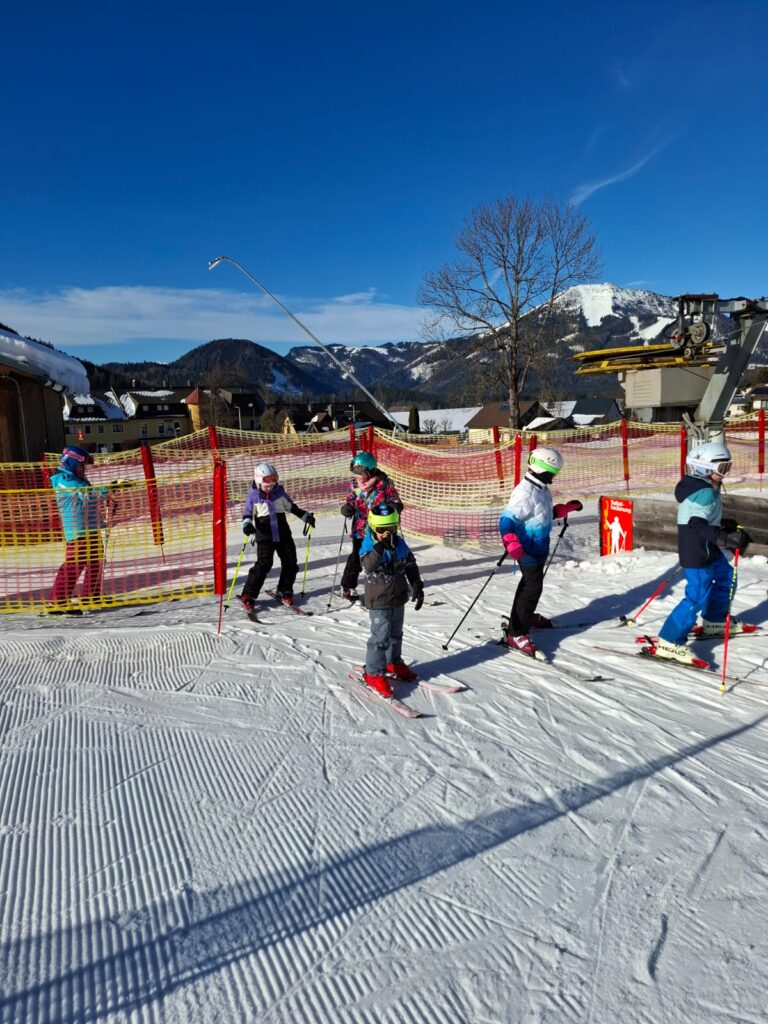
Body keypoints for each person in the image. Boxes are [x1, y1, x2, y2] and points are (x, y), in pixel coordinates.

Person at [655, 441, 751, 664]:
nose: (726, 473)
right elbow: (696, 523)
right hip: (697, 551)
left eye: (728, 467)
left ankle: (715, 620)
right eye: (723, 468)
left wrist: (723, 525)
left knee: (726, 577)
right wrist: (723, 537)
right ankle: (669, 641)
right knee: (697, 595)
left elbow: (703, 517)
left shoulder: (702, 486)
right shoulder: (705, 492)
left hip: (708, 547)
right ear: (705, 467)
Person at [498, 446, 582, 657]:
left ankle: (524, 616)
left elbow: (542, 514)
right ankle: (517, 633)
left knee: (530, 586)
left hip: (538, 548)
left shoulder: (541, 489)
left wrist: (565, 509)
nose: (554, 477)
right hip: (526, 550)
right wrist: (512, 543)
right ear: (541, 469)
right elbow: (506, 521)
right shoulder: (525, 492)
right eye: (552, 473)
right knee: (532, 588)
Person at [359, 504, 424, 697]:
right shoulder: (369, 545)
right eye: (382, 530)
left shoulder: (399, 543)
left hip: (398, 597)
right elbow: (368, 565)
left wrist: (417, 583)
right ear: (373, 527)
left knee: (396, 634)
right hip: (379, 600)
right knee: (380, 638)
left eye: (392, 529)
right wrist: (379, 549)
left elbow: (410, 563)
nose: (387, 534)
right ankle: (373, 672)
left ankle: (392, 662)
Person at [238, 462, 315, 613]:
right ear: (258, 481)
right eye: (267, 485)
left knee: (290, 561)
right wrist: (247, 525)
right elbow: (247, 513)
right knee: (264, 563)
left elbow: (291, 507)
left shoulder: (279, 492)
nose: (270, 487)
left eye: (273, 483)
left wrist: (306, 516)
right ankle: (248, 594)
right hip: (264, 533)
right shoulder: (254, 495)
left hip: (282, 531)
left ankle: (284, 590)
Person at [48, 445, 109, 612]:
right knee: (74, 565)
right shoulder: (63, 480)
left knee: (96, 562)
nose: (83, 470)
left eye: (84, 467)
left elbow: (91, 499)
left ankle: (91, 595)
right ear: (71, 463)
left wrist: (108, 499)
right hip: (77, 532)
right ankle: (58, 601)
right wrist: (108, 490)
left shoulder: (80, 479)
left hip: (92, 528)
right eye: (81, 466)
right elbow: (86, 494)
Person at [339, 451, 403, 602]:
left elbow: (394, 499)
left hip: (381, 528)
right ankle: (348, 585)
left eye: (359, 472)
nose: (356, 475)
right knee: (357, 557)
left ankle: (389, 582)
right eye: (354, 472)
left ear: (369, 471)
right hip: (361, 528)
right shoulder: (355, 484)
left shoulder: (384, 484)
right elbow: (351, 500)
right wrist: (348, 507)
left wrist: (396, 505)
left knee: (385, 555)